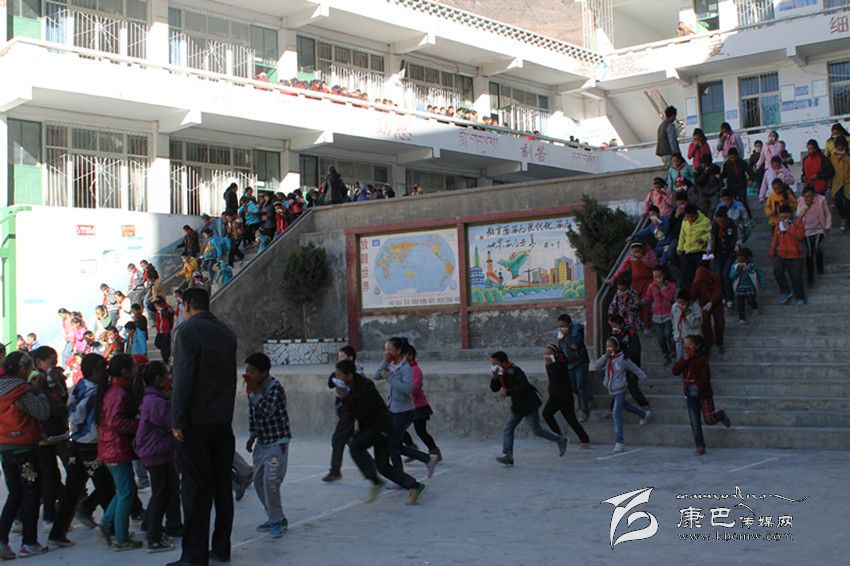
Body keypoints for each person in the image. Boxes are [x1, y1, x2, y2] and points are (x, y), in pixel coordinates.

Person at [169, 288, 238, 566]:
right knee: (222, 488)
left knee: (196, 491)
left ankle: (194, 556)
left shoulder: (187, 332)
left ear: (187, 305)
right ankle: (221, 548)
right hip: (222, 421)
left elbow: (183, 379)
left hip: (196, 423)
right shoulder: (226, 331)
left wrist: (177, 420)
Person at [334, 360, 426, 505]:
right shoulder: (351, 385)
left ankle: (375, 482)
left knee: (356, 447)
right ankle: (415, 486)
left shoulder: (365, 387)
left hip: (381, 427)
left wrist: (345, 397)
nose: (337, 379)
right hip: (375, 427)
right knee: (383, 466)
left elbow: (360, 413)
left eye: (340, 376)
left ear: (350, 376)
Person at [48, 354, 116, 547]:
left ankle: (57, 533)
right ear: (95, 372)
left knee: (73, 490)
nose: (106, 374)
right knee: (106, 486)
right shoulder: (94, 393)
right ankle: (112, 530)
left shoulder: (80, 386)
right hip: (90, 446)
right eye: (103, 370)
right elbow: (83, 418)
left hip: (77, 443)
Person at [0, 352, 51, 559]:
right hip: (24, 449)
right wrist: (39, 393)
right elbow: (42, 413)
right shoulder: (21, 391)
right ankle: (29, 542)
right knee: (31, 493)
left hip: (5, 447)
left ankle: (1, 540)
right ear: (22, 368)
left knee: (15, 493)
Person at [95, 354, 143, 551]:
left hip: (114, 448)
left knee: (126, 490)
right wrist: (140, 424)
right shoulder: (117, 393)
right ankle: (121, 537)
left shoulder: (118, 390)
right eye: (134, 367)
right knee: (126, 493)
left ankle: (107, 524)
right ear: (125, 371)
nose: (137, 370)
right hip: (115, 449)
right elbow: (116, 423)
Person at [373, 338, 439, 478]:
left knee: (392, 445)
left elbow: (408, 389)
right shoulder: (390, 365)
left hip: (404, 412)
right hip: (392, 410)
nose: (386, 352)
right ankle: (427, 459)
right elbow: (376, 375)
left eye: (389, 350)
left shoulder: (406, 368)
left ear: (398, 351)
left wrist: (390, 378)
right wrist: (385, 362)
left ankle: (400, 477)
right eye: (385, 350)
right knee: (395, 445)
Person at [132, 361, 179, 553]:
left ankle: (153, 527)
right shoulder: (155, 402)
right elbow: (170, 421)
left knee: (166, 490)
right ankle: (154, 537)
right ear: (159, 379)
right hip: (155, 452)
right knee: (161, 493)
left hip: (160, 451)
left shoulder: (155, 398)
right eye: (167, 376)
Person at [489, 351, 567, 466]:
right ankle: (508, 456)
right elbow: (494, 388)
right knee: (508, 428)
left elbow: (525, 385)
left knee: (536, 430)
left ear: (504, 362)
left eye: (495, 363)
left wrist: (509, 392)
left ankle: (560, 439)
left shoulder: (515, 370)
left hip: (529, 403)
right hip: (517, 405)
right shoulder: (500, 373)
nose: (493, 366)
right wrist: (494, 378)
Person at [244, 353, 291, 539]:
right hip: (262, 442)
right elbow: (252, 414)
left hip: (277, 442)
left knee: (270, 481)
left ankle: (277, 520)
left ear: (264, 373)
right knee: (258, 483)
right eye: (246, 370)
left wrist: (255, 391)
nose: (247, 375)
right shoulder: (251, 389)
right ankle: (274, 517)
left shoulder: (275, 387)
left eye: (252, 372)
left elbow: (267, 410)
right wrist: (252, 435)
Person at [29, 346, 70, 525]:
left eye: (56, 363)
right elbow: (49, 406)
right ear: (39, 363)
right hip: (45, 435)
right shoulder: (37, 381)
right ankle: (50, 514)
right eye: (51, 363)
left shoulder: (56, 378)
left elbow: (63, 397)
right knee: (50, 476)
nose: (54, 366)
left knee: (55, 475)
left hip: (59, 432)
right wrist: (63, 411)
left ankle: (55, 510)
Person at [672, 335, 731, 455]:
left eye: (689, 345)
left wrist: (697, 385)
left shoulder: (702, 358)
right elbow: (675, 371)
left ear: (697, 346)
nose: (687, 347)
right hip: (690, 395)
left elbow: (706, 377)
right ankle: (700, 445)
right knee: (695, 422)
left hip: (704, 394)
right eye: (685, 345)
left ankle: (721, 415)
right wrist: (684, 360)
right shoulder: (684, 358)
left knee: (709, 419)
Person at [593, 338, 650, 454]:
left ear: (617, 347)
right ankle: (643, 414)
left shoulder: (623, 359)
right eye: (607, 346)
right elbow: (596, 366)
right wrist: (605, 356)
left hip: (620, 389)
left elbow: (635, 369)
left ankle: (619, 442)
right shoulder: (607, 359)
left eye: (611, 346)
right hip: (611, 389)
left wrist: (646, 379)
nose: (609, 348)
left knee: (616, 414)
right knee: (626, 406)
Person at [323, 346, 360, 483]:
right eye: (338, 358)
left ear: (350, 358)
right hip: (341, 408)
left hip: (348, 410)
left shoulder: (356, 373)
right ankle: (373, 464)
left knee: (337, 439)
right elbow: (330, 383)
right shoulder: (339, 372)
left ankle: (335, 471)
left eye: (342, 357)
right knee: (351, 441)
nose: (339, 360)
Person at [541, 345, 589, 448]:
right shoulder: (550, 364)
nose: (547, 356)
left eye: (549, 354)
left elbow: (557, 377)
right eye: (545, 354)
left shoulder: (561, 363)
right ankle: (558, 436)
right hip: (554, 395)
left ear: (555, 354)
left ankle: (584, 439)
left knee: (571, 419)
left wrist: (551, 365)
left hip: (564, 396)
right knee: (546, 414)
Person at [403, 346, 441, 462]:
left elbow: (415, 387)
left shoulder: (415, 370)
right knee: (398, 428)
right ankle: (411, 449)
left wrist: (402, 390)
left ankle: (435, 452)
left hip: (418, 407)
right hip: (405, 406)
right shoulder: (403, 369)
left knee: (421, 432)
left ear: (410, 356)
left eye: (404, 355)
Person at [610, 242, 657, 330]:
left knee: (645, 303)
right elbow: (622, 268)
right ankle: (639, 324)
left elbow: (653, 264)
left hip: (647, 282)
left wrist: (643, 258)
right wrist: (613, 278)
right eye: (633, 251)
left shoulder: (648, 255)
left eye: (637, 251)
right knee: (635, 304)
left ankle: (647, 326)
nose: (635, 254)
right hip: (635, 283)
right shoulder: (630, 257)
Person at [608, 315, 650, 411]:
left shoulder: (631, 333)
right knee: (616, 385)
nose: (613, 328)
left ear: (621, 325)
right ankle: (612, 409)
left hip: (631, 362)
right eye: (612, 326)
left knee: (632, 384)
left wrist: (625, 356)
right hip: (619, 363)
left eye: (615, 326)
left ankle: (644, 404)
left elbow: (635, 350)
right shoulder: (614, 335)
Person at [556, 314, 591, 423]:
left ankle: (585, 411)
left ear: (570, 324)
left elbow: (575, 345)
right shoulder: (561, 335)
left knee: (580, 385)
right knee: (573, 387)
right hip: (569, 364)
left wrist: (565, 337)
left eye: (564, 325)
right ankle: (588, 398)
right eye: (560, 326)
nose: (562, 328)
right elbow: (561, 349)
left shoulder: (577, 331)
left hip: (581, 362)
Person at [769, 204, 806, 306]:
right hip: (780, 254)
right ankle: (785, 290)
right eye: (782, 216)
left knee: (796, 277)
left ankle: (800, 297)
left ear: (790, 214)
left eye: (786, 216)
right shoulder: (778, 225)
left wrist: (789, 228)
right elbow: (775, 239)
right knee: (777, 271)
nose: (783, 218)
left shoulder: (798, 222)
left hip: (796, 255)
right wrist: (771, 252)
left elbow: (800, 236)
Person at [796, 185, 832, 285]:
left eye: (810, 196)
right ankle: (810, 278)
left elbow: (828, 214)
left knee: (816, 247)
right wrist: (806, 206)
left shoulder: (821, 200)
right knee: (809, 252)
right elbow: (798, 215)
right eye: (806, 197)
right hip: (806, 230)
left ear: (814, 195)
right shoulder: (801, 201)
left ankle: (820, 267)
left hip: (819, 229)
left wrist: (828, 226)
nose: (808, 198)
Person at [643, 265, 677, 365]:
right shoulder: (651, 286)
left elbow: (669, 297)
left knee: (668, 334)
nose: (657, 279)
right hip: (656, 316)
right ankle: (665, 353)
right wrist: (641, 301)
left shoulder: (670, 285)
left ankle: (673, 350)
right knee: (660, 337)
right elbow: (648, 298)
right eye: (655, 277)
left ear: (664, 275)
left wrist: (662, 287)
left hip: (668, 315)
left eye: (659, 276)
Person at [691, 257, 726, 352]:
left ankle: (719, 342)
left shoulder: (715, 278)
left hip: (716, 303)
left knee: (719, 323)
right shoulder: (697, 281)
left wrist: (712, 302)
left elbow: (718, 292)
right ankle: (709, 342)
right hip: (704, 303)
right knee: (705, 323)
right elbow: (693, 294)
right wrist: (690, 302)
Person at [676, 204, 711, 293]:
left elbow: (711, 234)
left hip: (700, 251)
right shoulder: (684, 221)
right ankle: (687, 295)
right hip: (687, 251)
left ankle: (702, 293)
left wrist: (703, 238)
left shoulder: (705, 221)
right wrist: (679, 247)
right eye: (688, 217)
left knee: (700, 274)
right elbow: (682, 235)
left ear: (696, 214)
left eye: (692, 217)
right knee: (686, 275)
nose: (690, 219)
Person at [710, 208, 740, 307]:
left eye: (722, 221)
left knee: (726, 275)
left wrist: (737, 245)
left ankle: (730, 297)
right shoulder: (714, 226)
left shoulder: (733, 225)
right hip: (718, 254)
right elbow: (711, 239)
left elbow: (738, 238)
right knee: (718, 275)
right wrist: (709, 249)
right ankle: (722, 296)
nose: (720, 223)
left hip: (729, 253)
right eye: (718, 221)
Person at [730, 248, 766, 326]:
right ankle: (742, 319)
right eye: (738, 257)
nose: (739, 259)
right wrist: (737, 271)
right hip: (739, 287)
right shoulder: (735, 265)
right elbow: (732, 276)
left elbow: (760, 274)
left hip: (750, 286)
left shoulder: (753, 265)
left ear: (746, 258)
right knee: (740, 303)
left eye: (741, 258)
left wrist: (763, 283)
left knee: (751, 300)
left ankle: (755, 307)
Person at [720, 147, 752, 216]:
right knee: (732, 202)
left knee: (743, 201)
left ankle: (748, 216)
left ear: (737, 156)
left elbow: (749, 171)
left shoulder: (742, 162)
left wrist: (750, 179)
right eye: (731, 158)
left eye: (734, 157)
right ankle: (735, 216)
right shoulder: (726, 163)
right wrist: (719, 176)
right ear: (728, 157)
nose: (733, 159)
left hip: (742, 185)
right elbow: (724, 174)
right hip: (731, 186)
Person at [671, 289, 702, 359]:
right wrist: (675, 334)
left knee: (692, 360)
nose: (680, 304)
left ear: (688, 302)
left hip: (691, 340)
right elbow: (673, 321)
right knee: (680, 360)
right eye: (678, 302)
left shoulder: (695, 307)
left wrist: (687, 313)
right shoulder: (674, 307)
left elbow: (696, 324)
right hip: (679, 340)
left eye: (683, 302)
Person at [828, 135, 850, 232]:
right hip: (837, 183)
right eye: (838, 148)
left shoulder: (848, 156)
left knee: (848, 204)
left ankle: (848, 221)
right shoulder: (833, 156)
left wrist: (846, 157)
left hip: (848, 183)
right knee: (837, 200)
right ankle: (843, 218)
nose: (839, 150)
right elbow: (830, 169)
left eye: (842, 148)